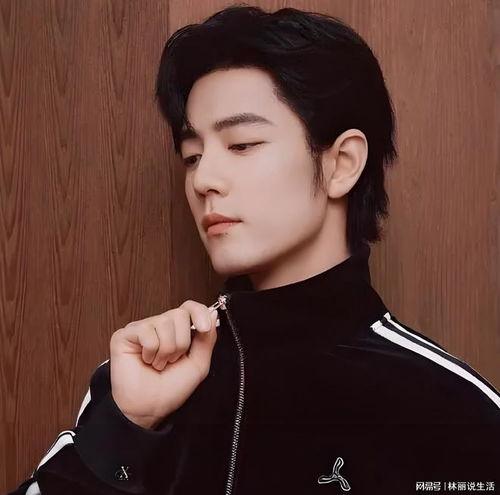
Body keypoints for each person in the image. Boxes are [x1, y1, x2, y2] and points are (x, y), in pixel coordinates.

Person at [10, 4, 499, 495]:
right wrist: (126, 428)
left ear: (342, 163)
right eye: (192, 156)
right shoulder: (140, 380)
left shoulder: (451, 410)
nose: (202, 179)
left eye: (241, 144)